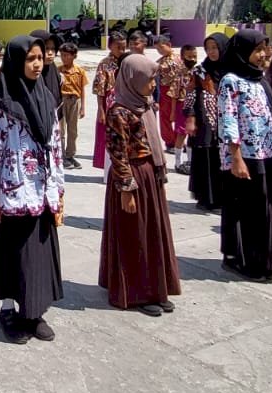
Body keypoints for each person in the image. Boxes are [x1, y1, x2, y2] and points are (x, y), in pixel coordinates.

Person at [0, 36, 66, 343]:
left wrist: (59, 186)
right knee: (12, 252)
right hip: (13, 189)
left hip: (42, 189)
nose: (37, 64)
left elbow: (56, 146)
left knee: (39, 253)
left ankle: (34, 312)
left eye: (40, 58)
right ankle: (7, 309)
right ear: (17, 61)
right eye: (30, 59)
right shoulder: (2, 103)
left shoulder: (47, 98)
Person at [101, 53, 182, 314]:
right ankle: (137, 293)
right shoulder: (119, 111)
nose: (154, 85)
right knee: (135, 234)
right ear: (133, 79)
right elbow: (117, 153)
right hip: (132, 178)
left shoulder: (145, 106)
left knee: (153, 232)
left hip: (150, 175)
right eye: (149, 79)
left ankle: (156, 289)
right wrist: (127, 189)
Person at [217, 31, 272, 282]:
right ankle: (242, 258)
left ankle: (264, 257)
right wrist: (235, 157)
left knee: (265, 206)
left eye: (265, 49)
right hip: (244, 156)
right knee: (245, 209)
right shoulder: (230, 80)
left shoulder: (260, 80)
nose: (263, 55)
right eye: (257, 49)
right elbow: (228, 120)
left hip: (266, 153)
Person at [185, 33, 230, 212]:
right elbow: (190, 95)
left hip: (227, 122)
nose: (211, 52)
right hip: (205, 122)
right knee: (207, 158)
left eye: (215, 47)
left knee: (224, 159)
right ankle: (207, 198)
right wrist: (191, 118)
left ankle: (223, 198)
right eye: (208, 48)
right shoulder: (200, 71)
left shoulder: (232, 71)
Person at [91, 31, 128, 169]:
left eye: (124, 47)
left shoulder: (127, 61)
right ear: (110, 46)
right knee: (105, 135)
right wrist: (101, 109)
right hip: (109, 104)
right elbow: (100, 90)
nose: (122, 50)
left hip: (125, 103)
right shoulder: (104, 64)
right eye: (118, 47)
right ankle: (106, 167)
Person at [57, 42, 88, 170]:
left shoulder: (79, 71)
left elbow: (82, 89)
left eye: (67, 55)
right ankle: (62, 155)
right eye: (62, 55)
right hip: (62, 100)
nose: (64, 58)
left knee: (73, 130)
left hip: (75, 101)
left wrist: (83, 107)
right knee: (61, 129)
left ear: (74, 56)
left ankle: (70, 154)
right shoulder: (58, 70)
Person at [154, 36, 186, 152]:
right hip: (164, 92)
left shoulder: (180, 59)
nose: (160, 51)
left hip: (179, 92)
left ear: (169, 45)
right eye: (157, 49)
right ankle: (170, 141)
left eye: (161, 48)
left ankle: (179, 141)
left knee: (180, 118)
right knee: (165, 118)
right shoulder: (159, 62)